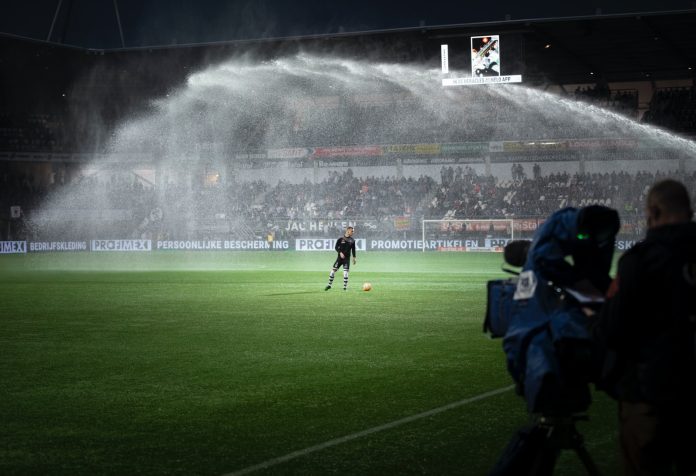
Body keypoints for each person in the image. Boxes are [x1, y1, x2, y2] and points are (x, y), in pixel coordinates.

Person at [593, 179, 696, 476]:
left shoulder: (640, 260)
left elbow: (613, 331)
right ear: (689, 211)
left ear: (652, 211)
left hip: (651, 395)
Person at [325, 226, 356, 291]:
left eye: (353, 231)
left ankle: (345, 287)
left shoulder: (352, 240)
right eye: (352, 231)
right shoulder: (340, 239)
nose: (353, 232)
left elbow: (353, 249)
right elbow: (336, 247)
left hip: (346, 259)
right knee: (332, 271)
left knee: (345, 272)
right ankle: (329, 285)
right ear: (348, 231)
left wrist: (354, 257)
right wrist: (340, 253)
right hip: (339, 259)